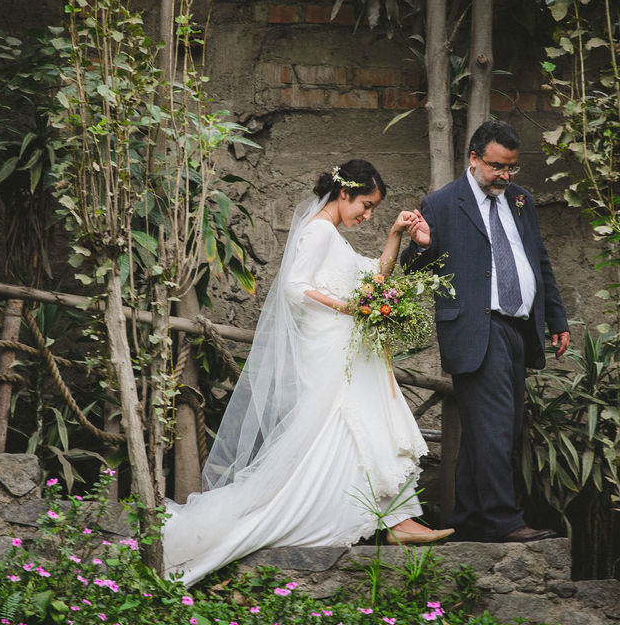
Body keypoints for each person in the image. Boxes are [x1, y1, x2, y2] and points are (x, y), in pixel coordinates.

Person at [163, 159, 453, 586]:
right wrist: (349, 308)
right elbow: (295, 288)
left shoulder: (333, 237)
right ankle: (393, 520)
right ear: (343, 194)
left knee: (368, 424)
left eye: (374, 210)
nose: (367, 215)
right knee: (346, 427)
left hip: (349, 346)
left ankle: (400, 519)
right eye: (366, 205)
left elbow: (375, 276)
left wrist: (394, 236)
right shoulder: (317, 232)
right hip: (330, 347)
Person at [400, 120, 570, 543]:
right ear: (474, 159)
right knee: (494, 427)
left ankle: (471, 519)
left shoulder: (521, 201)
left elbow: (539, 261)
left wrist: (556, 319)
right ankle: (503, 521)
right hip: (477, 328)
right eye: (496, 167)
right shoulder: (442, 204)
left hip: (518, 328)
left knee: (497, 429)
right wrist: (420, 245)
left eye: (511, 168)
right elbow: (413, 270)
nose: (504, 176)